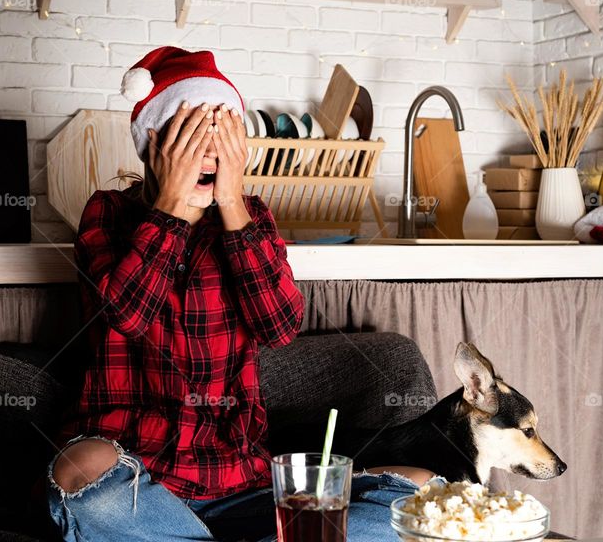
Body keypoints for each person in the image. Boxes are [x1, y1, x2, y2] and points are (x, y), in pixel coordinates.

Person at [46, 47, 435, 541]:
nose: (209, 151)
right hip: (138, 479)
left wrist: (231, 203)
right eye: (190, 135)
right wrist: (172, 208)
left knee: (418, 489)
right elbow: (125, 314)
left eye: (223, 136)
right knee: (81, 468)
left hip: (240, 484)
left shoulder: (250, 218)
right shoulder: (107, 212)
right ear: (151, 143)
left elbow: (280, 326)